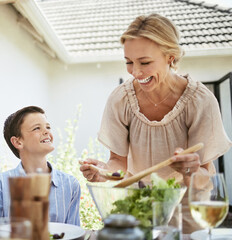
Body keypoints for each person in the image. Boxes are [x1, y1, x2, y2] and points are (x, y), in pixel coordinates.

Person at [79, 14, 232, 233]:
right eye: (129, 62)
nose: (136, 72)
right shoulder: (121, 99)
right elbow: (118, 163)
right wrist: (104, 171)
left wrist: (190, 170)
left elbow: (205, 172)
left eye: (145, 62)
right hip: (136, 202)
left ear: (170, 57)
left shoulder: (200, 101)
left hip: (187, 206)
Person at [0, 106, 81, 226]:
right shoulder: (0, 184)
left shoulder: (71, 185)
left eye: (48, 127)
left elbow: (74, 233)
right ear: (18, 142)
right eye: (37, 128)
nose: (46, 131)